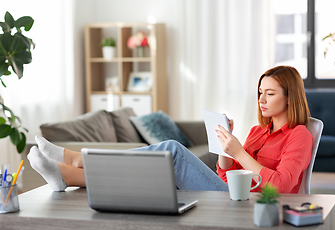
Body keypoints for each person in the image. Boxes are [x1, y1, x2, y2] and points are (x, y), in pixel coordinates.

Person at [27, 65, 312, 194]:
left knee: (172, 151)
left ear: (290, 97)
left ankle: (75, 160)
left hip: (252, 204)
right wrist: (223, 149)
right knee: (153, 171)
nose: (261, 100)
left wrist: (239, 151)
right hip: (230, 192)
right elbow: (225, 173)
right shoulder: (256, 132)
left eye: (270, 94)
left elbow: (284, 186)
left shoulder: (299, 134)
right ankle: (68, 174)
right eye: (260, 92)